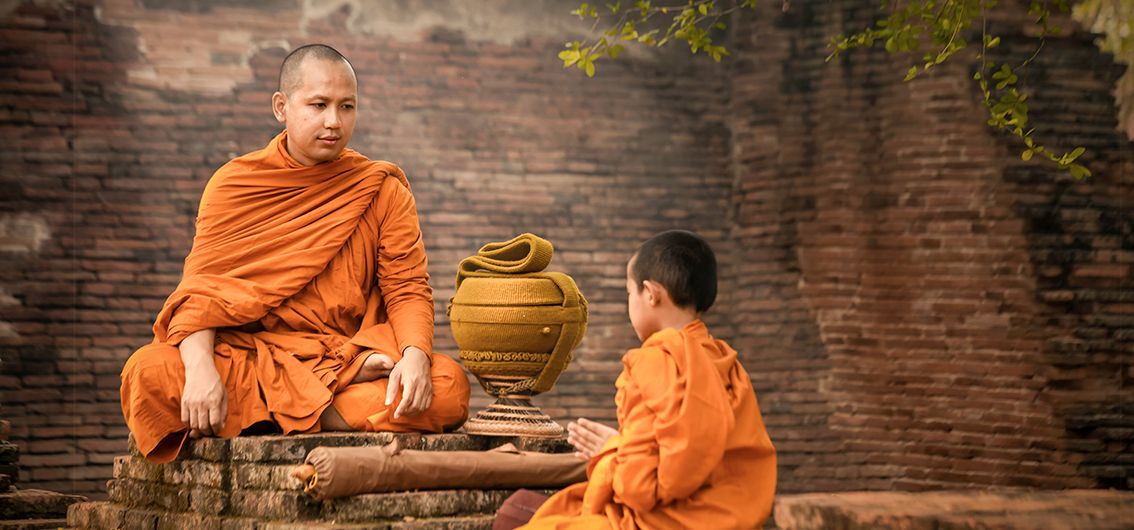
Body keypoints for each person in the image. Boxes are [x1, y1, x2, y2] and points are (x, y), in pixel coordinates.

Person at [119, 44, 470, 464]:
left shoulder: (380, 189)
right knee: (147, 373)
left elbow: (407, 287)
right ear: (281, 107)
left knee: (447, 385)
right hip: (254, 357)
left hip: (340, 353)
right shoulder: (235, 185)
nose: (333, 122)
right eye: (318, 105)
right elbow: (201, 294)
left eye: (347, 107)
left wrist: (414, 356)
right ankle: (324, 409)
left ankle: (272, 415)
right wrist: (199, 373)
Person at [508, 230, 777, 529]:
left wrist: (612, 451)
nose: (629, 303)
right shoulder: (729, 362)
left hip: (666, 523)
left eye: (628, 292)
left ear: (650, 293)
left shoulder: (653, 361)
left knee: (522, 515)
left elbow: (639, 492)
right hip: (734, 517)